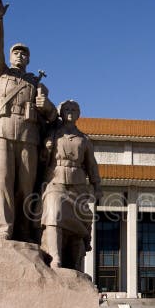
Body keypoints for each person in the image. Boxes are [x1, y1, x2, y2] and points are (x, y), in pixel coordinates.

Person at [0, 0, 57, 242]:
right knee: (0, 182)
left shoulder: (35, 83)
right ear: (10, 57)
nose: (20, 56)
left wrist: (47, 106)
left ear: (29, 59)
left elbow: (53, 116)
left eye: (24, 53)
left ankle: (22, 230)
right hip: (1, 131)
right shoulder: (0, 74)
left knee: (25, 187)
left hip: (28, 135)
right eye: (16, 52)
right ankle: (2, 230)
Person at [40, 100, 102, 270]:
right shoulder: (52, 134)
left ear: (78, 114)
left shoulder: (84, 139)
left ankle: (74, 259)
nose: (70, 111)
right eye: (66, 108)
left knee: (79, 225)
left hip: (78, 185)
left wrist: (97, 186)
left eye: (74, 109)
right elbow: (40, 160)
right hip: (55, 180)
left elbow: (91, 165)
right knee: (54, 214)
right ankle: (55, 257)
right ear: (60, 112)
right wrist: (46, 150)